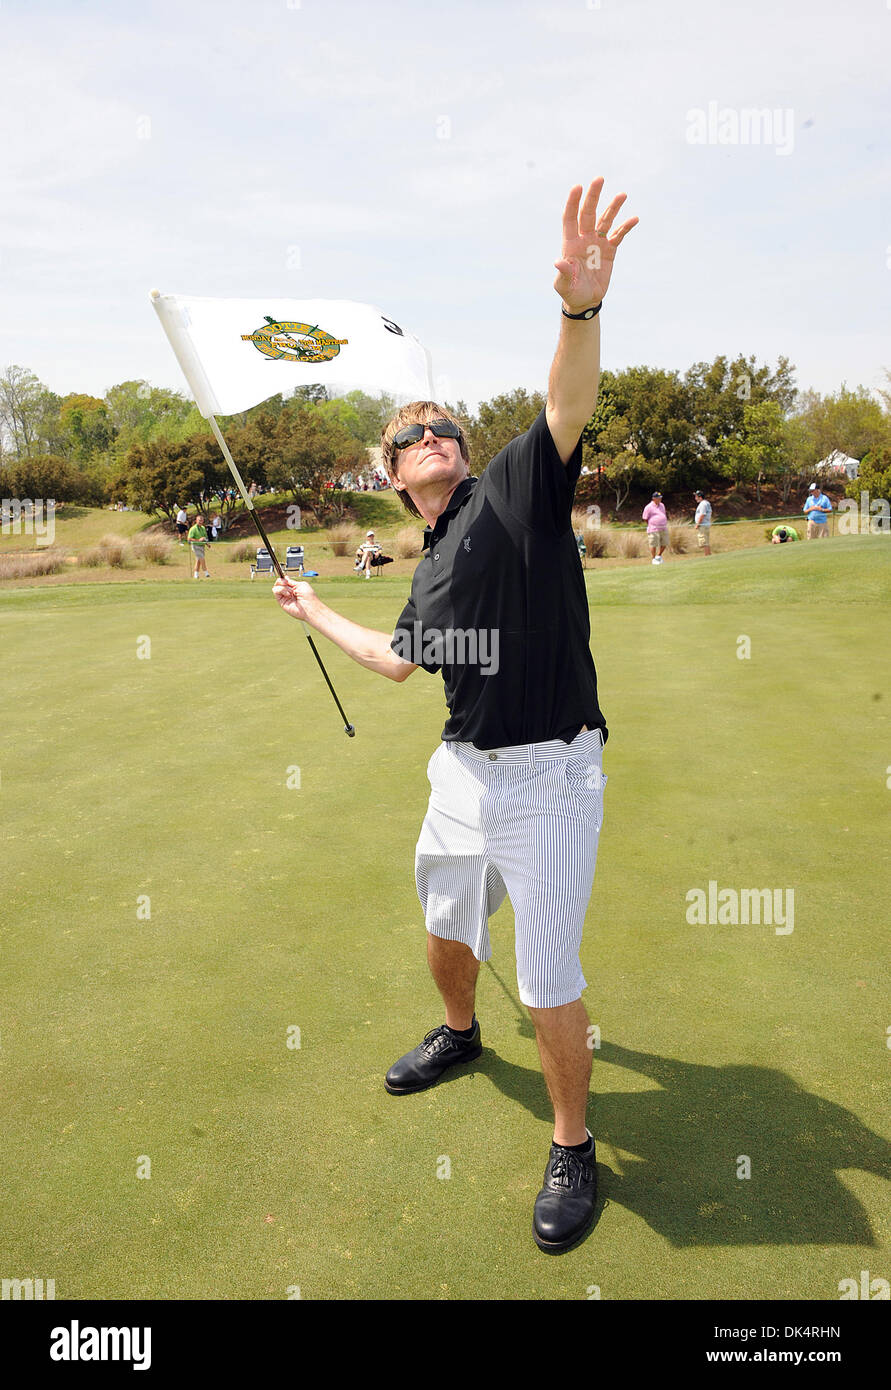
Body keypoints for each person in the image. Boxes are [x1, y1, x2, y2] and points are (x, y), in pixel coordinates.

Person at [273, 178, 637, 1254]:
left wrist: (579, 309)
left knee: (548, 976)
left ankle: (573, 1142)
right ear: (395, 479)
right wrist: (313, 606)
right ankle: (462, 1033)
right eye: (411, 436)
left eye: (442, 427)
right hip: (463, 770)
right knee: (444, 929)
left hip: (551, 775)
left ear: (464, 452)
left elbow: (566, 403)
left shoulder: (515, 491)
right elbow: (394, 663)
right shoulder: (429, 563)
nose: (431, 435)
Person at [642, 490, 668, 563]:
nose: (660, 499)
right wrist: (652, 523)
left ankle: (658, 556)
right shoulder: (648, 507)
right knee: (653, 544)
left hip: (663, 527)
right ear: (654, 498)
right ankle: (653, 559)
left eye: (660, 498)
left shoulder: (662, 505)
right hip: (653, 528)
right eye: (658, 498)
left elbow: (663, 514)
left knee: (665, 543)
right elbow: (645, 518)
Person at [188, 513, 210, 578]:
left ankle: (196, 575)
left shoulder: (203, 528)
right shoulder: (193, 529)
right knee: (202, 559)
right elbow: (189, 538)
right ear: (196, 520)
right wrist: (198, 540)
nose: (201, 522)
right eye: (199, 520)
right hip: (195, 546)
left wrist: (207, 543)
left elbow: (205, 537)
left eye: (202, 520)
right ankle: (206, 573)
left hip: (202, 546)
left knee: (198, 561)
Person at [693, 490, 712, 554]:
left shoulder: (703, 504)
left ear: (700, 497)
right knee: (705, 542)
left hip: (703, 525)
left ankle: (707, 556)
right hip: (705, 525)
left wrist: (697, 524)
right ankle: (708, 555)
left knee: (704, 542)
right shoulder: (706, 503)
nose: (695, 498)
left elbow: (702, 514)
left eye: (696, 496)